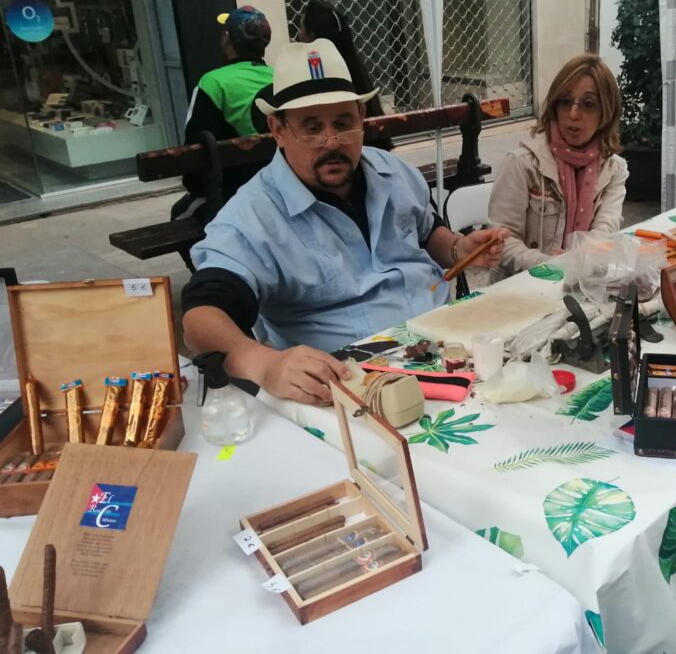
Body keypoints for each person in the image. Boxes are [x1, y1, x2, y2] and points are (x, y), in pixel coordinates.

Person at [181, 39, 507, 406]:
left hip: (449, 343)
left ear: (361, 118)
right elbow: (200, 317)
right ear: (278, 129)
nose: (331, 142)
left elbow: (426, 230)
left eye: (343, 123)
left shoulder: (392, 172)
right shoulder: (252, 218)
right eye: (311, 127)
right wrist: (263, 363)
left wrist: (458, 248)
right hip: (353, 384)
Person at [488, 54, 628, 279]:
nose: (573, 114)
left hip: (580, 282)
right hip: (522, 287)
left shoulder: (614, 170)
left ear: (607, 112)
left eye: (588, 104)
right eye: (565, 101)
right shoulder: (522, 164)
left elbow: (605, 230)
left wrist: (579, 258)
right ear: (554, 106)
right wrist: (551, 265)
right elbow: (500, 241)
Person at [173, 5, 275, 226]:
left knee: (179, 214)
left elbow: (194, 149)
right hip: (276, 183)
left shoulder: (213, 82)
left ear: (228, 38)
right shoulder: (279, 76)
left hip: (231, 191)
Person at [295, 0, 392, 150]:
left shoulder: (317, 75)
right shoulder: (355, 69)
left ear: (311, 36)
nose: (298, 35)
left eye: (301, 28)